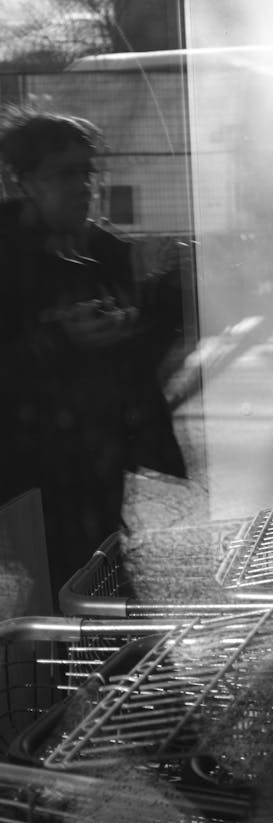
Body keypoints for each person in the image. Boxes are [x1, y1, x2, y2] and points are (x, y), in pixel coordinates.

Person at [0, 106, 186, 606]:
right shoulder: (8, 256)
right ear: (22, 182)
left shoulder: (100, 246)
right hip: (29, 470)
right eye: (65, 173)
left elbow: (147, 344)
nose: (85, 186)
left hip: (94, 460)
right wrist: (58, 340)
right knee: (60, 591)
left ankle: (108, 671)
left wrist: (166, 284)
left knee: (98, 574)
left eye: (88, 171)